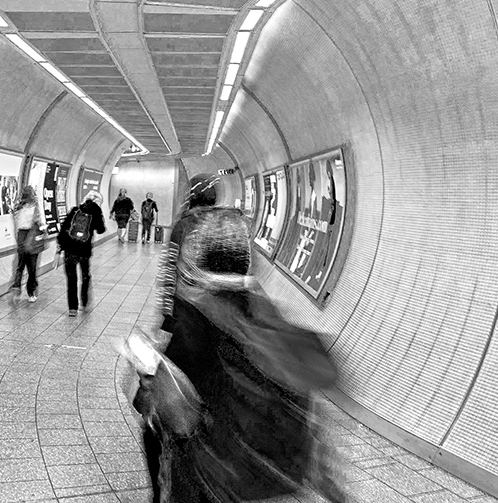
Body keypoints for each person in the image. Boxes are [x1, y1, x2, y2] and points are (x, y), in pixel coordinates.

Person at [142, 175, 346, 503]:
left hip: (216, 473)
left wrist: (156, 352)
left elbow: (168, 406)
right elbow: (315, 385)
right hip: (274, 476)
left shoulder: (196, 317)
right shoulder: (266, 313)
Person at [57, 190, 106, 317]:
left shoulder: (75, 210)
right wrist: (99, 215)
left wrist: (61, 245)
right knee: (85, 275)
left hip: (70, 249)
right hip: (84, 250)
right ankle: (84, 301)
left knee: (71, 278)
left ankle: (72, 308)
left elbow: (64, 228)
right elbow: (101, 230)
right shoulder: (96, 212)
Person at [10, 185, 46, 303]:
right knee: (32, 268)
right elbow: (39, 223)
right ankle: (31, 292)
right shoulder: (35, 208)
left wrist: (18, 240)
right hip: (31, 238)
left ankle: (16, 286)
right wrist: (44, 230)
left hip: (21, 237)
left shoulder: (18, 208)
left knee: (20, 265)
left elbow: (16, 225)